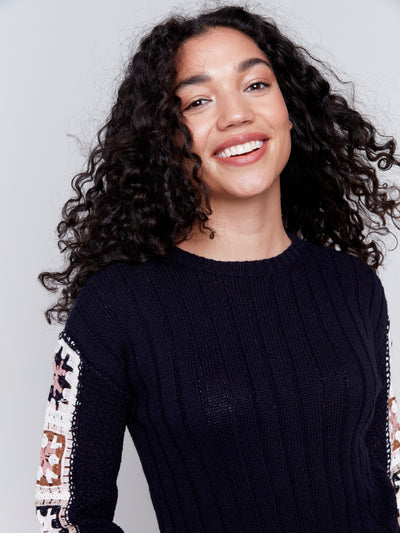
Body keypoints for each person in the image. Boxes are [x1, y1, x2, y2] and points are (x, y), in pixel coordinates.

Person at [34, 5, 400, 532]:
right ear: (164, 136)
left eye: (256, 85)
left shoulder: (352, 286)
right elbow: (64, 516)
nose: (236, 115)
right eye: (198, 101)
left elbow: (386, 479)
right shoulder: (116, 308)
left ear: (290, 108)